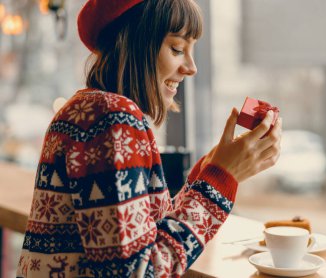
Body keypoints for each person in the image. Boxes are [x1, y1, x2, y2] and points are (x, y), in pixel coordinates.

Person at [17, 0, 282, 277]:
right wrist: (220, 180)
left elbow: (145, 237)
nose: (191, 67)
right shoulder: (112, 117)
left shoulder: (89, 110)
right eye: (177, 49)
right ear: (134, 43)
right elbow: (138, 272)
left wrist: (209, 171)